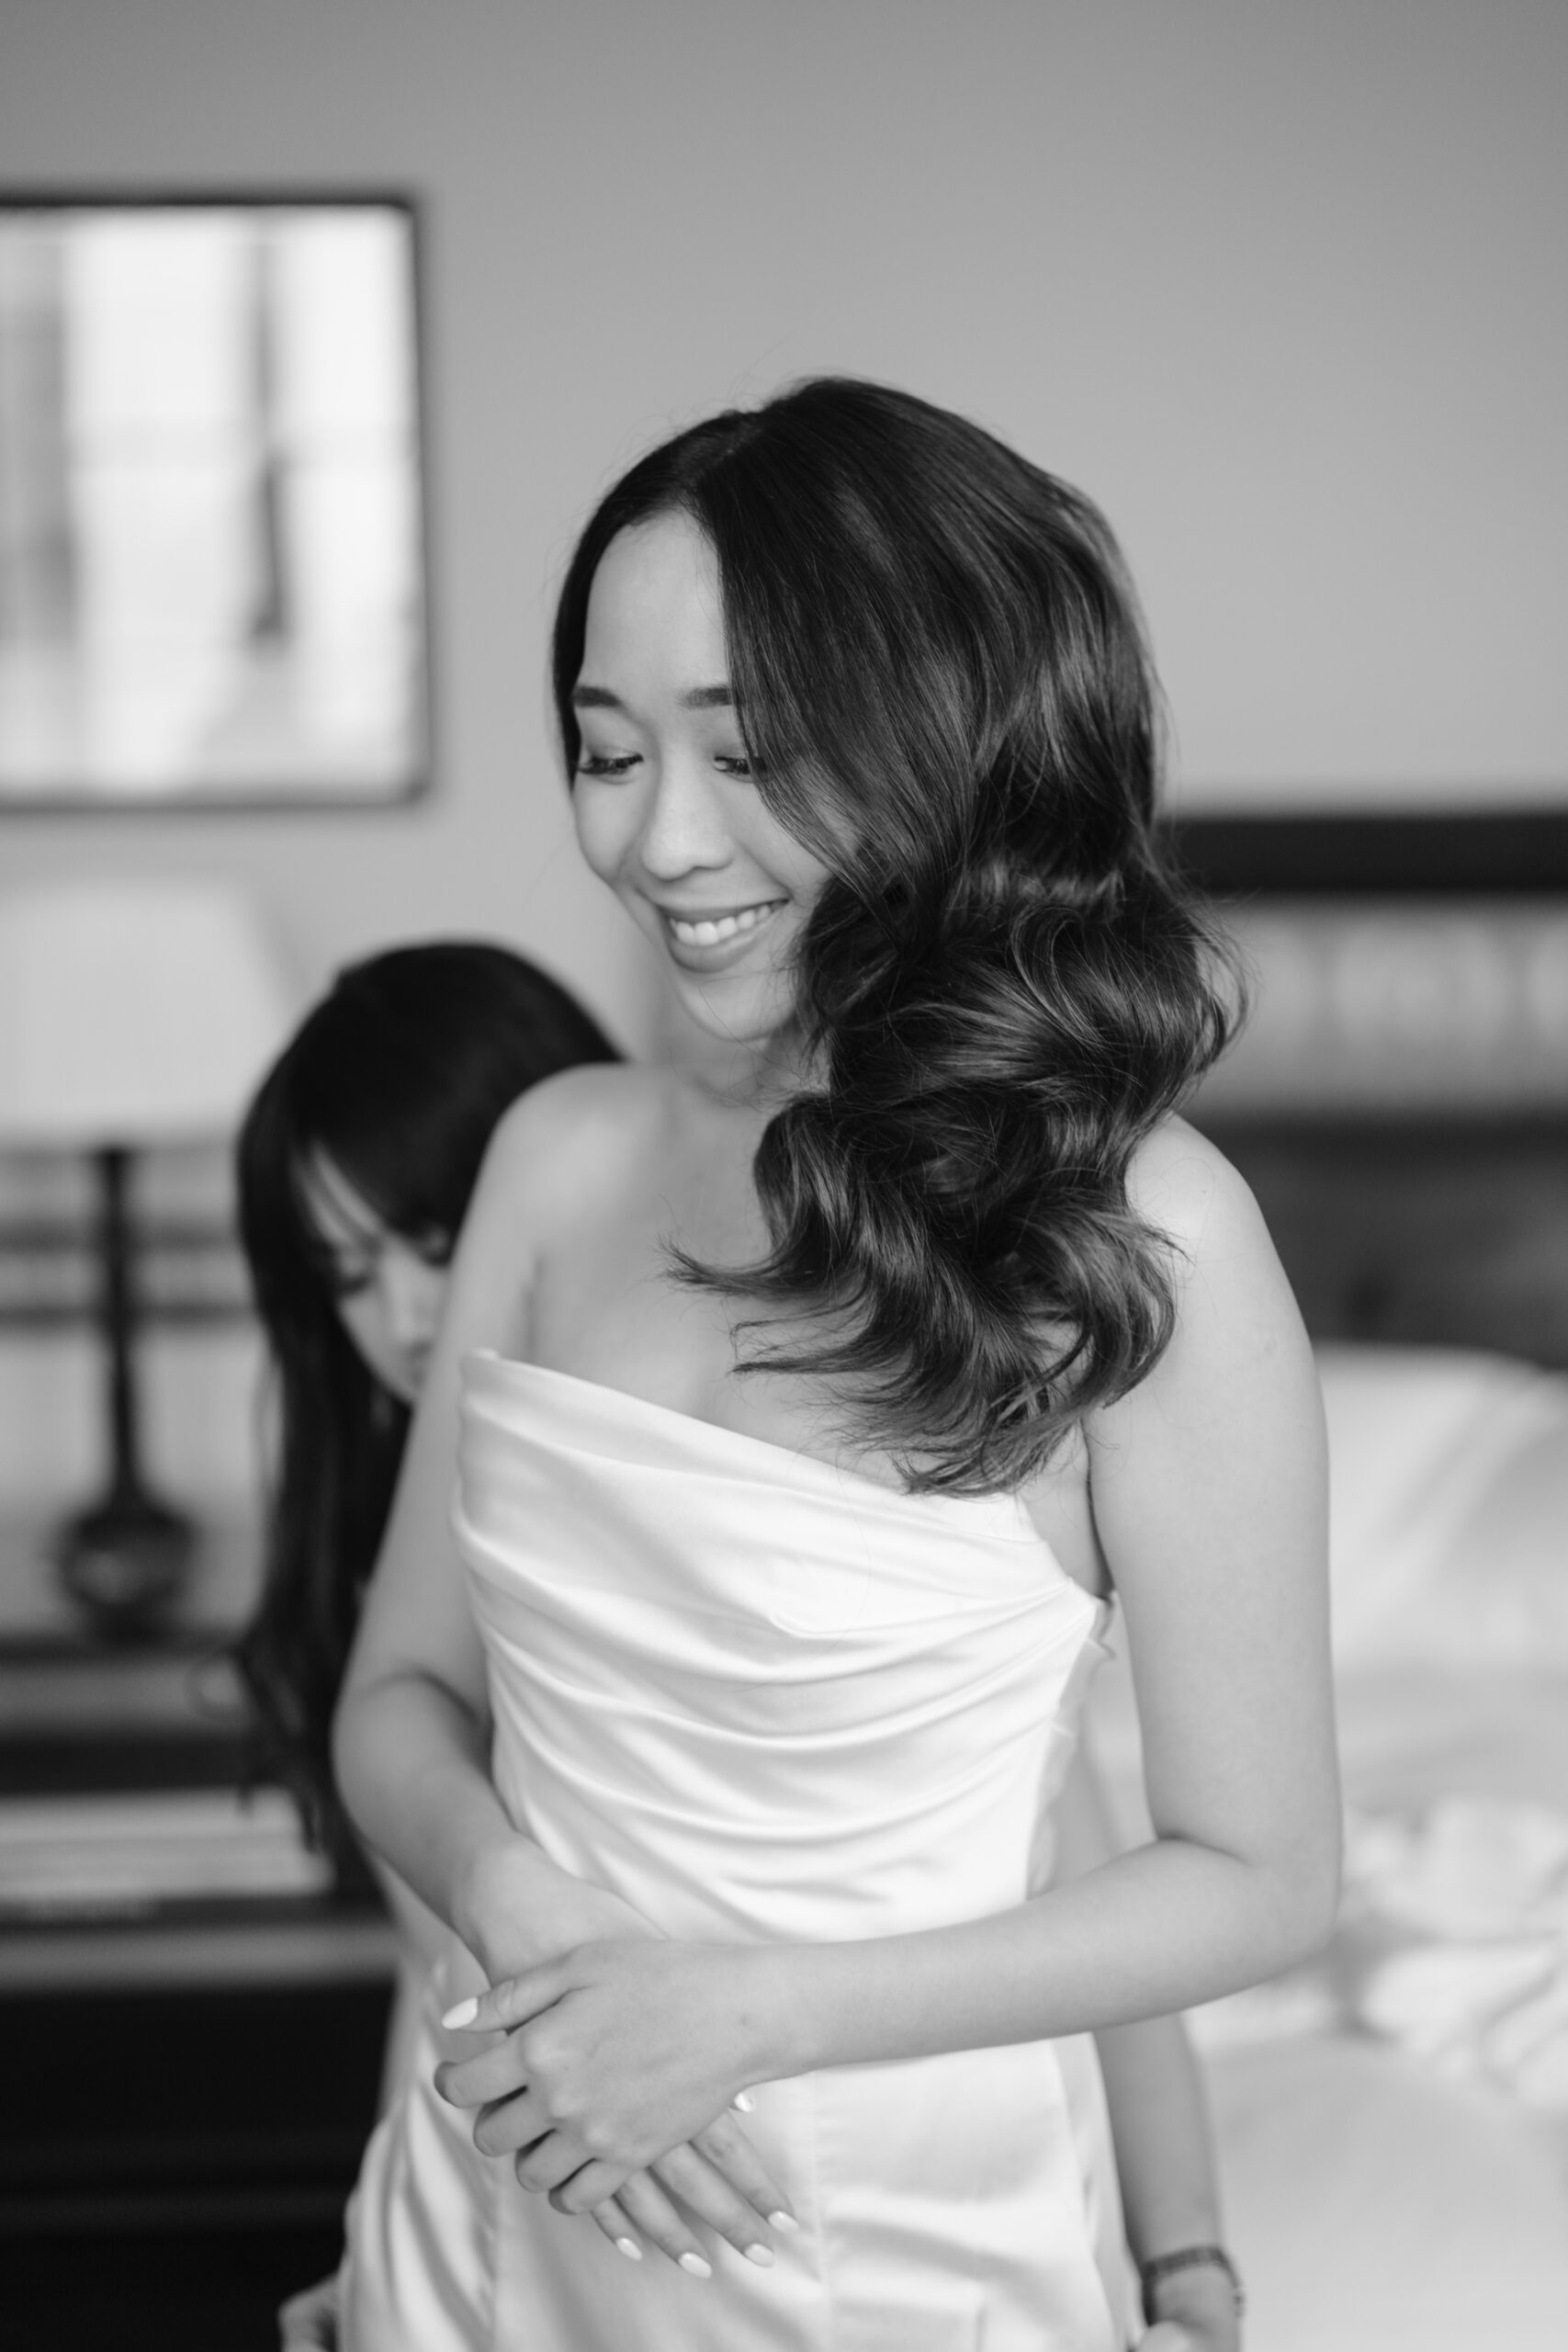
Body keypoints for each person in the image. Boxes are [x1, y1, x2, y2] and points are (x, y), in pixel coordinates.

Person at [331, 378, 1337, 2349]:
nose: (653, 836)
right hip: (490, 2193)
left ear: (943, 749)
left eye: (750, 751)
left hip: (875, 2238)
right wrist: (527, 1925)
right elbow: (401, 1690)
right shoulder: (556, 1158)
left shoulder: (1145, 1236)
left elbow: (1258, 1871)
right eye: (604, 748)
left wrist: (739, 2014)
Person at [229, 940, 620, 2349]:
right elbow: (440, 1968)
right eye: (345, 1272)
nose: (401, 1320)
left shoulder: (710, 1480)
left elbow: (1059, 1837)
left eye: (440, 1248)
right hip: (494, 2147)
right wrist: (385, 2231)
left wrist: (1184, 2263)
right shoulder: (371, 1534)